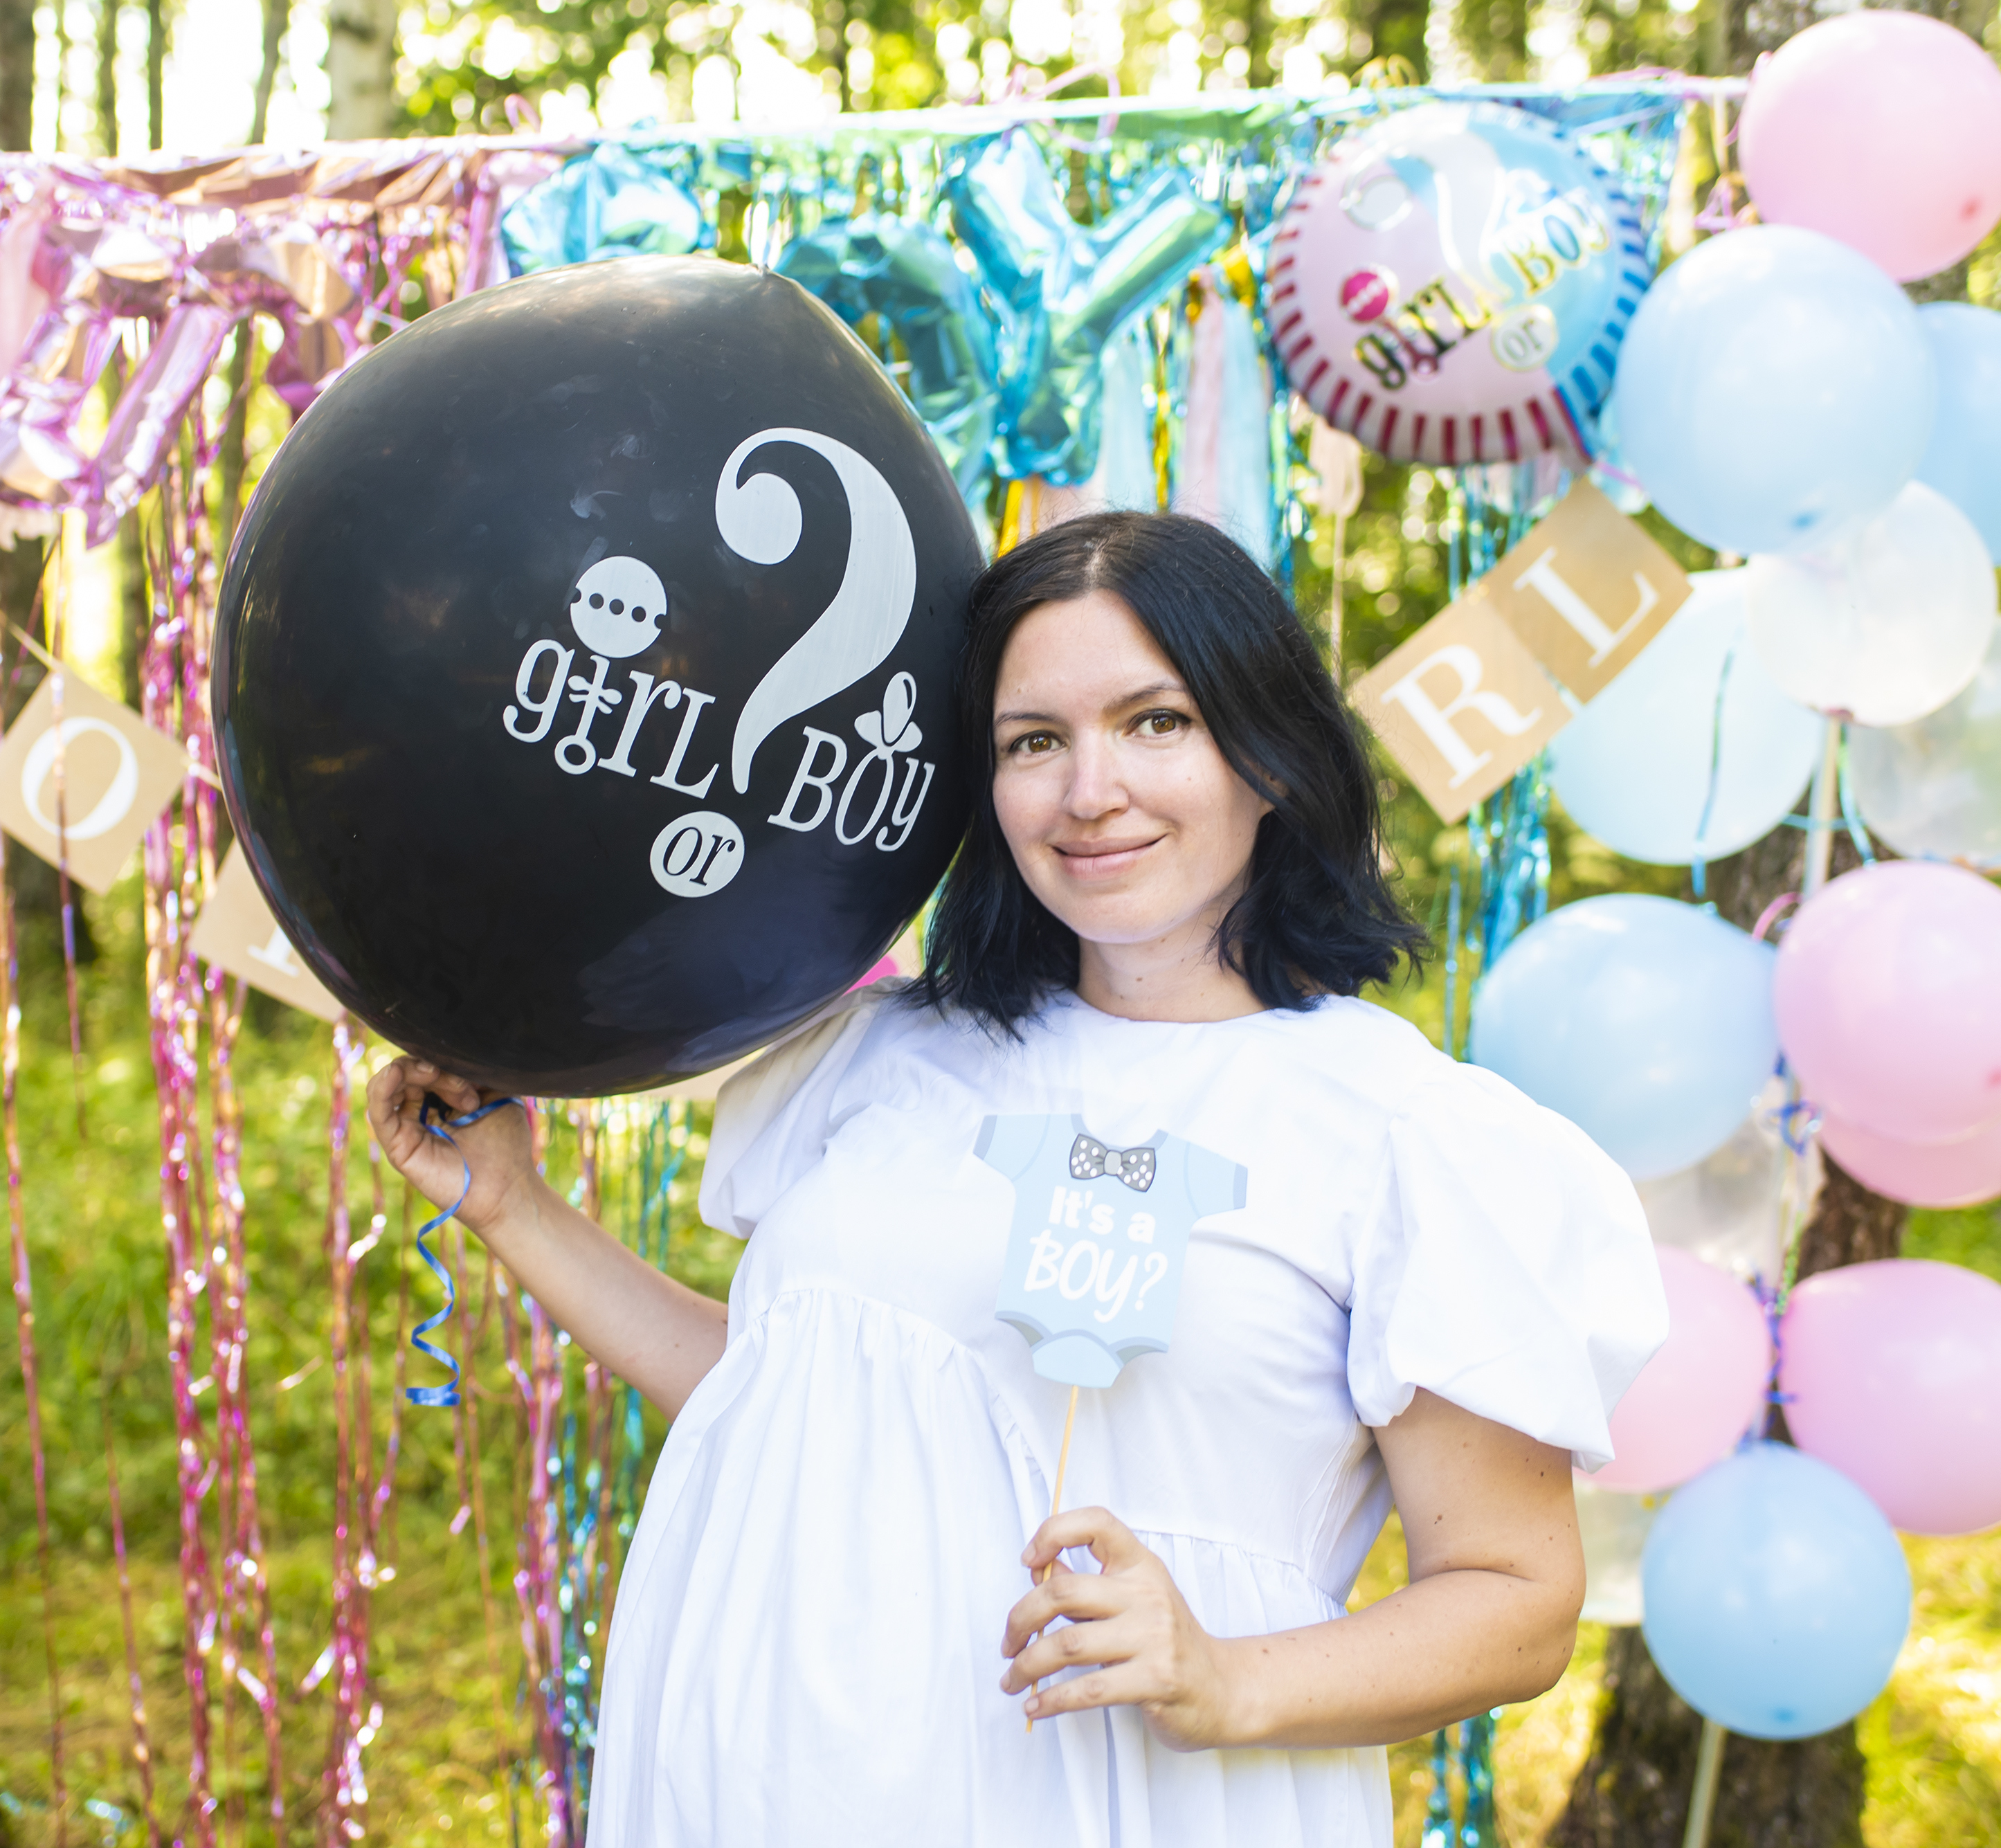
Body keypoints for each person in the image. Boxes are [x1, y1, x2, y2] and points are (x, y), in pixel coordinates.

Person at [369, 510, 1667, 1847]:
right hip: (782, 1785)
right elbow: (790, 1396)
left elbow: (1516, 1597)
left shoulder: (1402, 1131)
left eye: (1155, 720)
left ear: (1269, 755)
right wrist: (513, 1207)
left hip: (1127, 1806)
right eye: (1032, 741)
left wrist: (1224, 1674)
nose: (1088, 790)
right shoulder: (882, 1054)